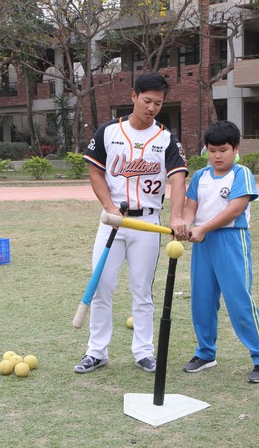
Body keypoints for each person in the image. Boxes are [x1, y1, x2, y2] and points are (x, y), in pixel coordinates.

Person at [74, 71, 188, 374]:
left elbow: (178, 176)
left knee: (142, 290)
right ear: (134, 97)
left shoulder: (165, 138)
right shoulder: (108, 131)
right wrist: (110, 206)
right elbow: (95, 171)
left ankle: (143, 352)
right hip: (112, 222)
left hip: (148, 224)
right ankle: (96, 352)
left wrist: (176, 216)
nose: (151, 108)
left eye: (158, 103)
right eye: (147, 101)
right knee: (102, 286)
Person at [182, 120, 259, 383]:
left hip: (231, 240)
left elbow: (234, 209)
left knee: (239, 301)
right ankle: (205, 353)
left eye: (223, 150)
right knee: (201, 300)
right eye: (211, 150)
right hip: (203, 244)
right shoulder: (200, 176)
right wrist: (186, 224)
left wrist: (202, 229)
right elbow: (191, 206)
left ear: (235, 148)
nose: (217, 156)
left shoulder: (241, 173)